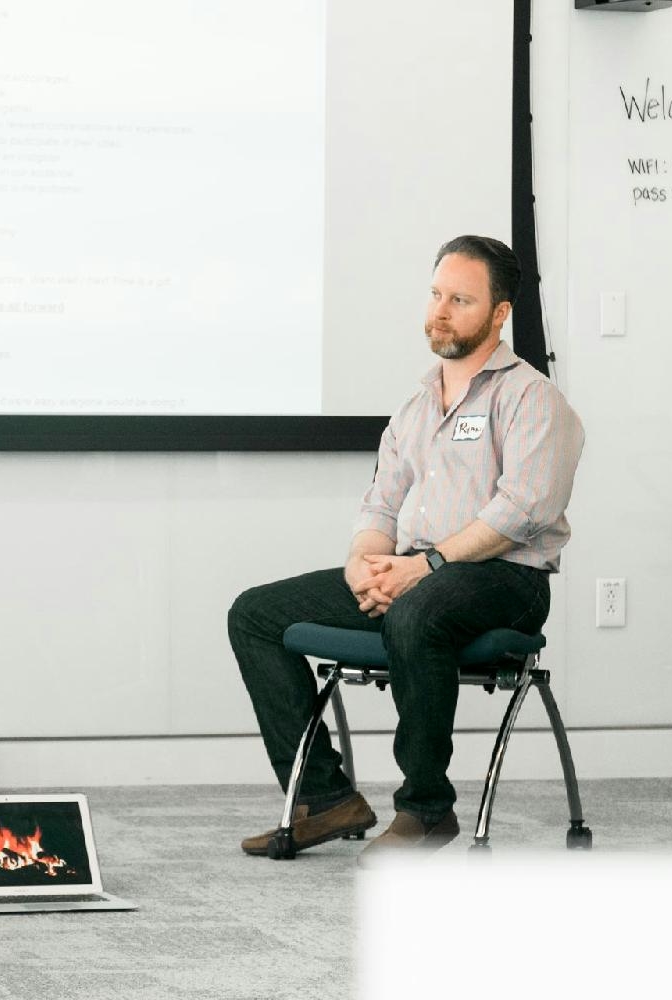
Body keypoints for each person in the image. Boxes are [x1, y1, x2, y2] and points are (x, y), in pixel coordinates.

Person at [228, 235, 583, 861]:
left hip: (505, 582)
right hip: (419, 569)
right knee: (255, 613)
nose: (440, 312)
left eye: (462, 300)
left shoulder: (533, 399)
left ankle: (425, 809)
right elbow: (381, 506)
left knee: (419, 609)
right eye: (436, 294)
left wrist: (424, 567)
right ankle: (322, 799)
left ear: (500, 313)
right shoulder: (416, 406)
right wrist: (365, 566)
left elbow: (521, 511)